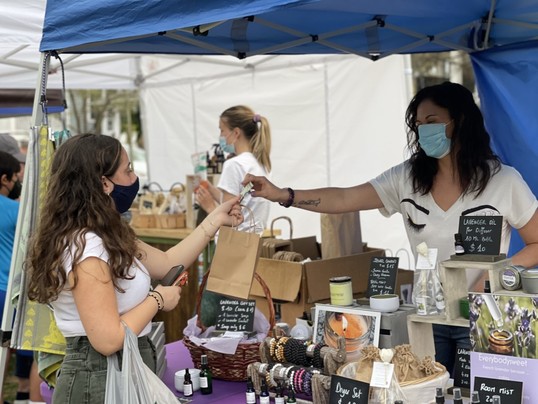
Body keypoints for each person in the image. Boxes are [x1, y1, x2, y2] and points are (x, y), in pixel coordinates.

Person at [243, 82, 538, 375]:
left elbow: (536, 243)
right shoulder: (406, 178)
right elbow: (345, 197)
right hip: (427, 319)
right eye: (419, 124)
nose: (424, 131)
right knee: (429, 391)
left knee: (479, 393)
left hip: (483, 314)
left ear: (460, 121)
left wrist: (493, 274)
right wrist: (284, 194)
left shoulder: (503, 181)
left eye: (432, 122)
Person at [26, 133, 243, 403]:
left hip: (115, 372)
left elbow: (166, 263)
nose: (133, 178)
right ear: (104, 183)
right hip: (99, 379)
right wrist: (158, 299)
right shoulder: (88, 248)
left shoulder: (106, 233)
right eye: (127, 170)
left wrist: (215, 220)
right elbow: (108, 340)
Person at [196, 105, 271, 234]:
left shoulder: (234, 164)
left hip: (233, 245)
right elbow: (241, 200)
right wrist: (211, 190)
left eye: (222, 131)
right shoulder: (261, 163)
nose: (220, 136)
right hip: (253, 242)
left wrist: (209, 207)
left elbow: (227, 219)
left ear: (236, 133)